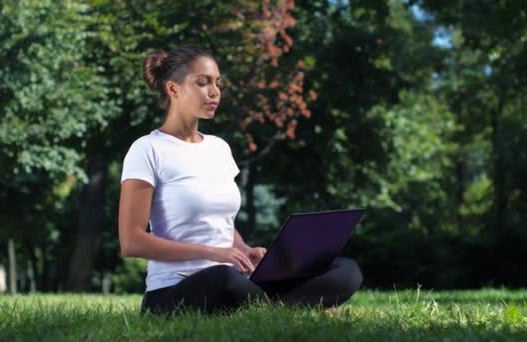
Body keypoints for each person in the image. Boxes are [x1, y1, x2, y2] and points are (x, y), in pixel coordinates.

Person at [118, 46, 362, 315]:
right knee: (223, 280)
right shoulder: (147, 149)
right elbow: (132, 242)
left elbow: (219, 222)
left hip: (237, 280)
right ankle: (302, 307)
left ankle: (275, 308)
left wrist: (244, 250)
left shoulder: (219, 148)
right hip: (177, 288)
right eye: (203, 83)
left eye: (217, 83)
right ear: (173, 89)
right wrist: (212, 253)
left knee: (345, 270)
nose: (214, 92)